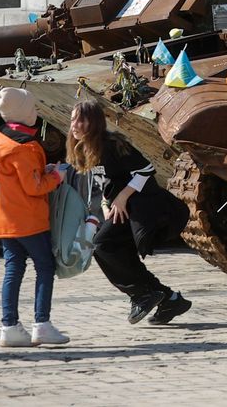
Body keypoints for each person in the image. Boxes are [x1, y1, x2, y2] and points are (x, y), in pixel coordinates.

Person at [66, 99, 193, 325]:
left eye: (81, 120)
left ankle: (142, 295)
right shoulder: (85, 148)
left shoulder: (112, 145)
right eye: (73, 119)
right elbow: (104, 182)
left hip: (143, 207)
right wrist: (106, 205)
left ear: (94, 122)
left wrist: (122, 197)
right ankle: (169, 299)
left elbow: (146, 170)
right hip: (122, 210)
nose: (74, 125)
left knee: (102, 245)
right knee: (115, 251)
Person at [0, 88, 68, 347]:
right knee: (45, 266)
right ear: (22, 113)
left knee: (13, 268)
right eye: (32, 108)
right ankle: (42, 324)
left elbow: (18, 179)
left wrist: (42, 170)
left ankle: (9, 327)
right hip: (28, 219)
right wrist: (56, 177)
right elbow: (34, 187)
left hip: (4, 219)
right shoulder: (25, 147)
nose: (36, 112)